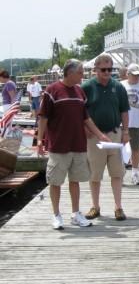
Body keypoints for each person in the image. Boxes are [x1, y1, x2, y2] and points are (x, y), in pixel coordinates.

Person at [37, 59, 111, 230]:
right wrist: (40, 140)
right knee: (55, 182)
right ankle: (56, 215)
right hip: (58, 145)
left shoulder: (79, 91)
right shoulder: (51, 91)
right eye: (80, 72)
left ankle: (76, 214)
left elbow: (86, 118)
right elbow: (43, 118)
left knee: (75, 180)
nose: (82, 75)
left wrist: (100, 135)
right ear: (70, 73)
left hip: (78, 144)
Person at [82, 53, 130, 221]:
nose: (107, 72)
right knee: (94, 174)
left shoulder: (118, 87)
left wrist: (125, 131)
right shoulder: (87, 87)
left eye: (110, 69)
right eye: (103, 69)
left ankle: (118, 207)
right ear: (96, 69)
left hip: (114, 134)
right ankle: (95, 206)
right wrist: (84, 128)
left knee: (117, 173)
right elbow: (80, 111)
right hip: (94, 137)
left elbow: (124, 110)